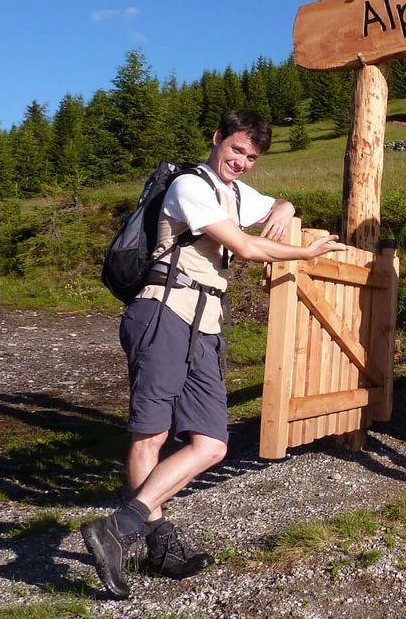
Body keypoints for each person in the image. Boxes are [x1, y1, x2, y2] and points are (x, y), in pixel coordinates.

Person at [81, 109, 342, 600]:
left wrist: (284, 206)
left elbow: (270, 206)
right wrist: (306, 255)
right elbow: (244, 247)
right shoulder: (189, 187)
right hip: (163, 311)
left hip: (205, 323)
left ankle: (120, 527)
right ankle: (156, 546)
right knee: (152, 433)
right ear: (217, 138)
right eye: (236, 149)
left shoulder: (237, 193)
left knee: (212, 443)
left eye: (252, 156)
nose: (241, 162)